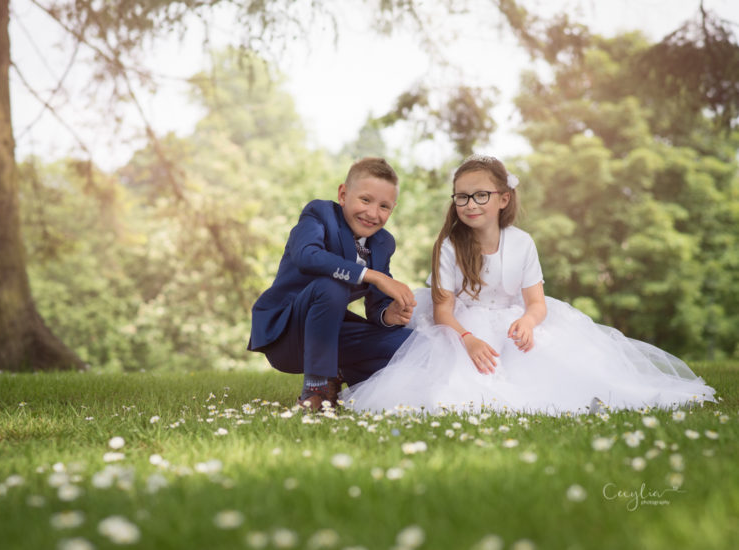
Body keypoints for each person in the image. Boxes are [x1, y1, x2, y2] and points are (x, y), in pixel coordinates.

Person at [342, 155, 716, 415]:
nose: (470, 204)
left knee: (561, 374)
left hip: (513, 321)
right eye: (462, 197)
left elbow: (536, 304)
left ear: (503, 199)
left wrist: (528, 321)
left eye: (481, 195)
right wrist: (467, 338)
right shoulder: (450, 246)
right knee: (453, 386)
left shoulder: (522, 243)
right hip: (461, 326)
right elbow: (443, 311)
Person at [248, 157, 416, 410]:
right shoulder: (319, 215)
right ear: (343, 194)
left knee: (410, 343)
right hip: (288, 334)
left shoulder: (383, 243)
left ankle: (345, 378)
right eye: (365, 200)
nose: (373, 213)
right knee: (332, 286)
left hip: (331, 335)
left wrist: (388, 315)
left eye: (384, 206)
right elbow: (308, 256)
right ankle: (316, 389)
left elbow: (376, 305)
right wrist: (374, 276)